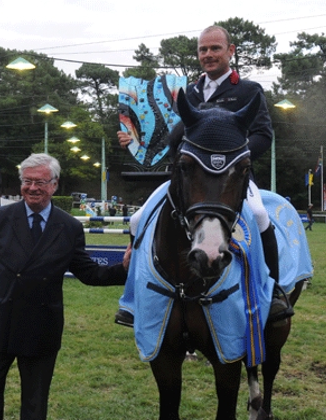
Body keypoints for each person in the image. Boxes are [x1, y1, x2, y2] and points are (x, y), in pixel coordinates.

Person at [116, 25, 291, 327]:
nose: (208, 55)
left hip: (230, 179)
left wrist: (234, 159)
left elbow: (263, 135)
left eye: (215, 49)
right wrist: (137, 142)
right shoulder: (189, 93)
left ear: (230, 51)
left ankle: (273, 291)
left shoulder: (248, 91)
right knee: (137, 219)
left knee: (260, 214)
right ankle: (131, 299)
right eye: (203, 50)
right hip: (192, 179)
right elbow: (173, 137)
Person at [0, 153, 128, 420]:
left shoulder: (69, 226)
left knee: (35, 404)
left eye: (40, 182)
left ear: (54, 185)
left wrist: (125, 269)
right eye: (27, 181)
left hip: (41, 327)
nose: (33, 188)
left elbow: (88, 273)